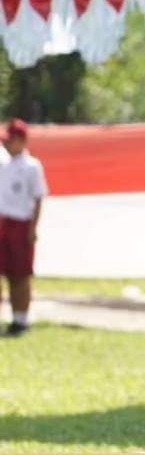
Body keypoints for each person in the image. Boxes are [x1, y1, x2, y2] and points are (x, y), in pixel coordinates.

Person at [0, 119, 48, 337]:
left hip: (20, 223)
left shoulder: (32, 166)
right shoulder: (3, 163)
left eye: (10, 141)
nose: (7, 145)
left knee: (19, 275)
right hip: (2, 221)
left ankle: (20, 319)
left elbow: (38, 198)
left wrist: (33, 227)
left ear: (21, 141)